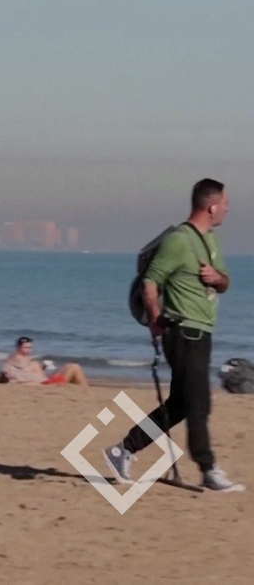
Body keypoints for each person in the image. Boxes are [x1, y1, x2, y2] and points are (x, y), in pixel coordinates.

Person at [104, 178, 244, 492]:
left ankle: (123, 450)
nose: (227, 208)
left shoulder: (211, 240)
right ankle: (208, 469)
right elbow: (150, 282)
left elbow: (225, 282)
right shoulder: (179, 241)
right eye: (225, 203)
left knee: (181, 404)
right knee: (199, 403)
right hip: (183, 331)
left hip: (203, 332)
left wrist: (216, 277)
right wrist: (155, 318)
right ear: (211, 206)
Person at [0, 337, 87, 386]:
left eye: (30, 348)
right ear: (18, 347)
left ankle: (82, 386)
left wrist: (41, 367)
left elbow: (24, 371)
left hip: (45, 381)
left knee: (69, 365)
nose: (29, 350)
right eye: (26, 348)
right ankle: (84, 388)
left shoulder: (14, 358)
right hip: (46, 383)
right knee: (74, 367)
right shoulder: (18, 358)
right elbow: (21, 374)